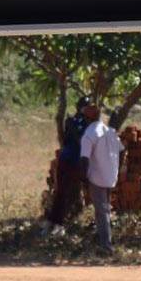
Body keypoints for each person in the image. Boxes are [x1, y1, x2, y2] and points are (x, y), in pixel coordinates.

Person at [80, 104, 124, 255]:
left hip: (97, 178)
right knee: (104, 210)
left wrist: (84, 179)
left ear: (87, 118)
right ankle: (103, 240)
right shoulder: (109, 131)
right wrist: (116, 168)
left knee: (102, 211)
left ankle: (106, 246)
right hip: (111, 176)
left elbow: (84, 159)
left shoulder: (89, 134)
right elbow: (122, 151)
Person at [44, 97, 91, 236]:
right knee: (66, 193)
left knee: (62, 192)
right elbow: (80, 141)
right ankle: (58, 224)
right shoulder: (83, 123)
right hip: (74, 161)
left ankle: (52, 222)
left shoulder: (71, 121)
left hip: (66, 159)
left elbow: (66, 139)